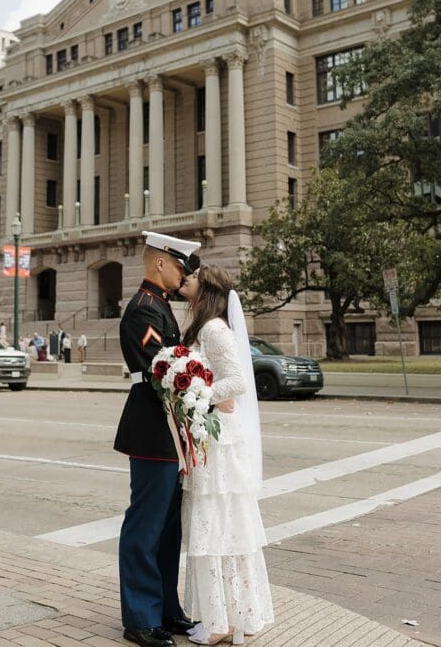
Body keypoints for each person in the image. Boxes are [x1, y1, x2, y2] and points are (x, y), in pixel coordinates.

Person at [177, 265, 274, 645]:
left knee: (214, 527)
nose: (189, 275)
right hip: (213, 437)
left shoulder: (215, 329)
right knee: (215, 528)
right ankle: (224, 615)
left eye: (196, 274)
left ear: (208, 288)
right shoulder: (204, 327)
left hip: (219, 444)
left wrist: (195, 394)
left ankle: (221, 622)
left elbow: (236, 381)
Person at [113, 230, 202, 647]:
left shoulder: (162, 308)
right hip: (152, 428)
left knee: (169, 531)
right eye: (180, 267)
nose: (182, 276)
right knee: (145, 528)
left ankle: (167, 609)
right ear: (160, 262)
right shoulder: (144, 309)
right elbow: (160, 370)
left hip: (170, 430)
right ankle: (141, 619)